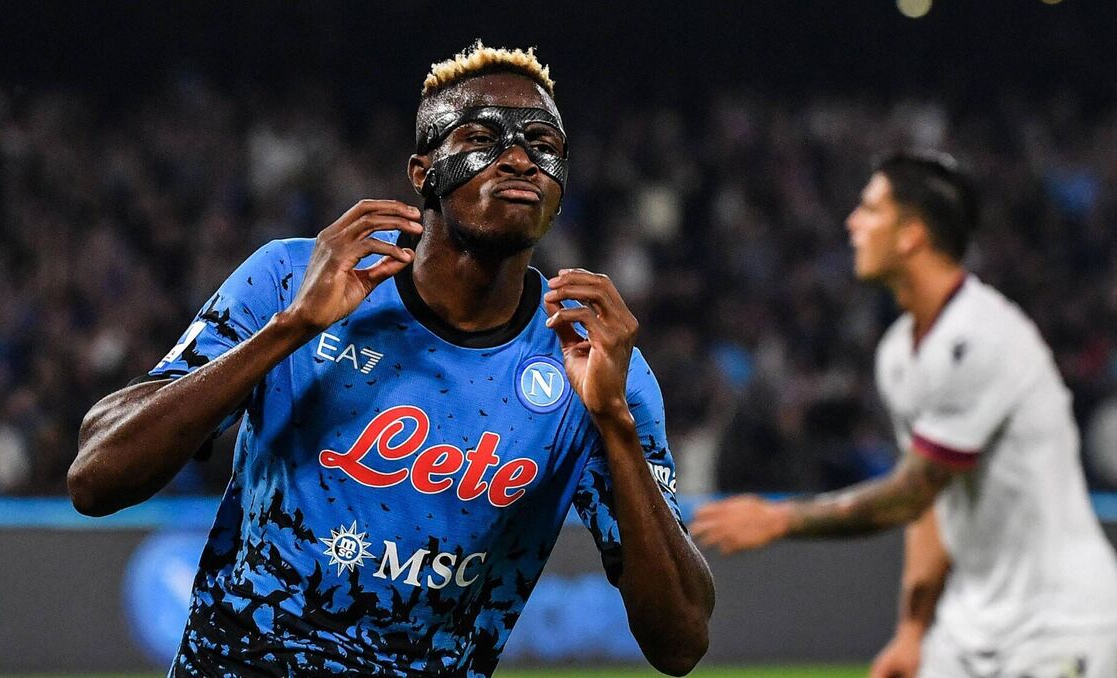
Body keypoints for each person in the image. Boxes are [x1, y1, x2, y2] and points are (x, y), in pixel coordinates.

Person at [68, 42, 713, 677]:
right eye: (482, 137)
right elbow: (95, 478)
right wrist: (289, 330)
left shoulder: (591, 359)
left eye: (543, 146)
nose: (519, 158)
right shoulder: (292, 281)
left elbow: (680, 642)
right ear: (423, 171)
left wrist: (615, 421)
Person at [693, 152, 1117, 677]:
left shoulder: (979, 337)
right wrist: (912, 632)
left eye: (871, 209)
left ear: (911, 236)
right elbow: (932, 508)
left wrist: (780, 518)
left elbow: (912, 492)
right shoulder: (899, 353)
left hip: (1060, 621)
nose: (852, 223)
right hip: (972, 626)